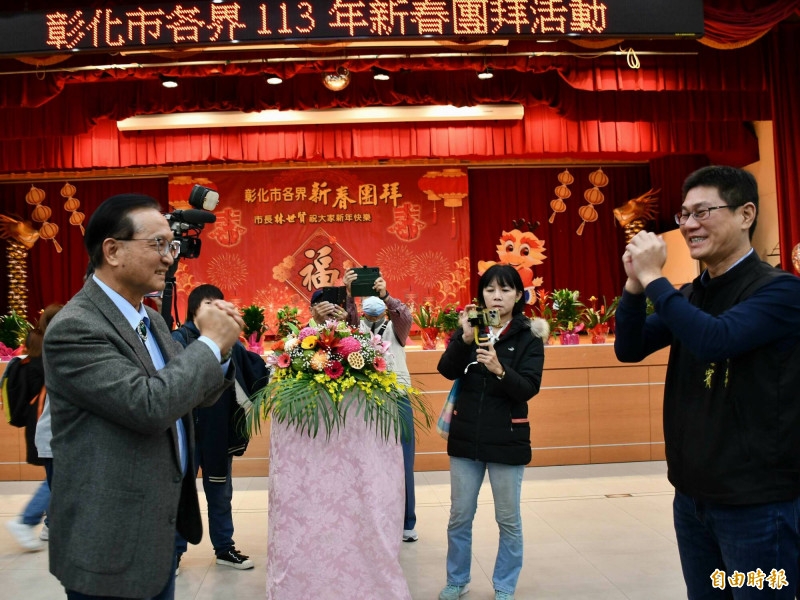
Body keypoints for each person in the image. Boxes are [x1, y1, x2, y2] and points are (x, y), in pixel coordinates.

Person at [42, 194, 244, 600]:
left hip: (157, 528)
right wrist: (208, 344)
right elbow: (149, 405)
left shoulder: (150, 319)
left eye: (172, 245)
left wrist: (220, 353)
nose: (169, 258)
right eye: (157, 244)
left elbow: (185, 393)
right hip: (110, 541)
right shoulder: (76, 328)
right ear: (112, 251)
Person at [614, 165, 800, 599]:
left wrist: (655, 278)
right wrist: (634, 285)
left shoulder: (780, 292)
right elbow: (630, 347)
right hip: (693, 500)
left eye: (702, 212)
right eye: (684, 214)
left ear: (746, 214)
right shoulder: (693, 294)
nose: (688, 225)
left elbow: (715, 340)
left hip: (757, 505)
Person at [437, 264, 546, 600]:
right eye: (489, 289)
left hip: (507, 439)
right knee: (459, 517)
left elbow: (529, 388)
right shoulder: (472, 328)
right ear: (481, 294)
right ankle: (457, 580)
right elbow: (447, 370)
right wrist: (464, 339)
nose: (497, 296)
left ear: (518, 296)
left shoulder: (529, 336)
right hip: (466, 437)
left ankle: (504, 585)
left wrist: (500, 369)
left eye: (505, 289)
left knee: (508, 520)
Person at [173, 284, 269, 574]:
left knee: (220, 492)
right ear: (194, 309)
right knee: (180, 494)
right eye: (210, 305)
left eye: (220, 306)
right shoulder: (178, 339)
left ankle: (225, 548)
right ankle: (173, 553)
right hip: (184, 431)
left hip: (217, 430)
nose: (217, 312)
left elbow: (253, 369)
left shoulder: (229, 341)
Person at [343, 272, 418, 542]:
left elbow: (404, 314)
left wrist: (386, 295)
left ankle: (407, 522)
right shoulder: (357, 328)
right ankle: (370, 520)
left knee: (403, 460)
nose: (372, 308)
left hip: (397, 398)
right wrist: (349, 293)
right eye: (368, 303)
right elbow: (346, 322)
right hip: (364, 401)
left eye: (378, 303)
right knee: (366, 462)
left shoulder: (396, 328)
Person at [4, 303, 62, 551]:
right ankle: (27, 520)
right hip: (54, 429)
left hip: (42, 427)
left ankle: (49, 524)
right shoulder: (56, 351)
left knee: (56, 478)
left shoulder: (40, 350)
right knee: (59, 480)